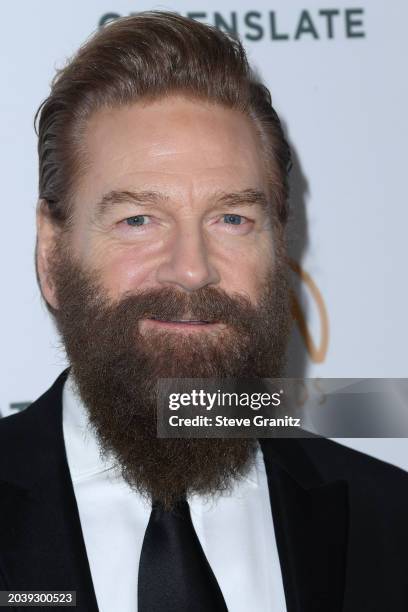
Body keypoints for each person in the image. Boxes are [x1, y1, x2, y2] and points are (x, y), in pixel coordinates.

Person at [0, 11, 407, 612]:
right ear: (52, 254)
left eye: (232, 219)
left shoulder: (391, 522)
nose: (192, 268)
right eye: (137, 219)